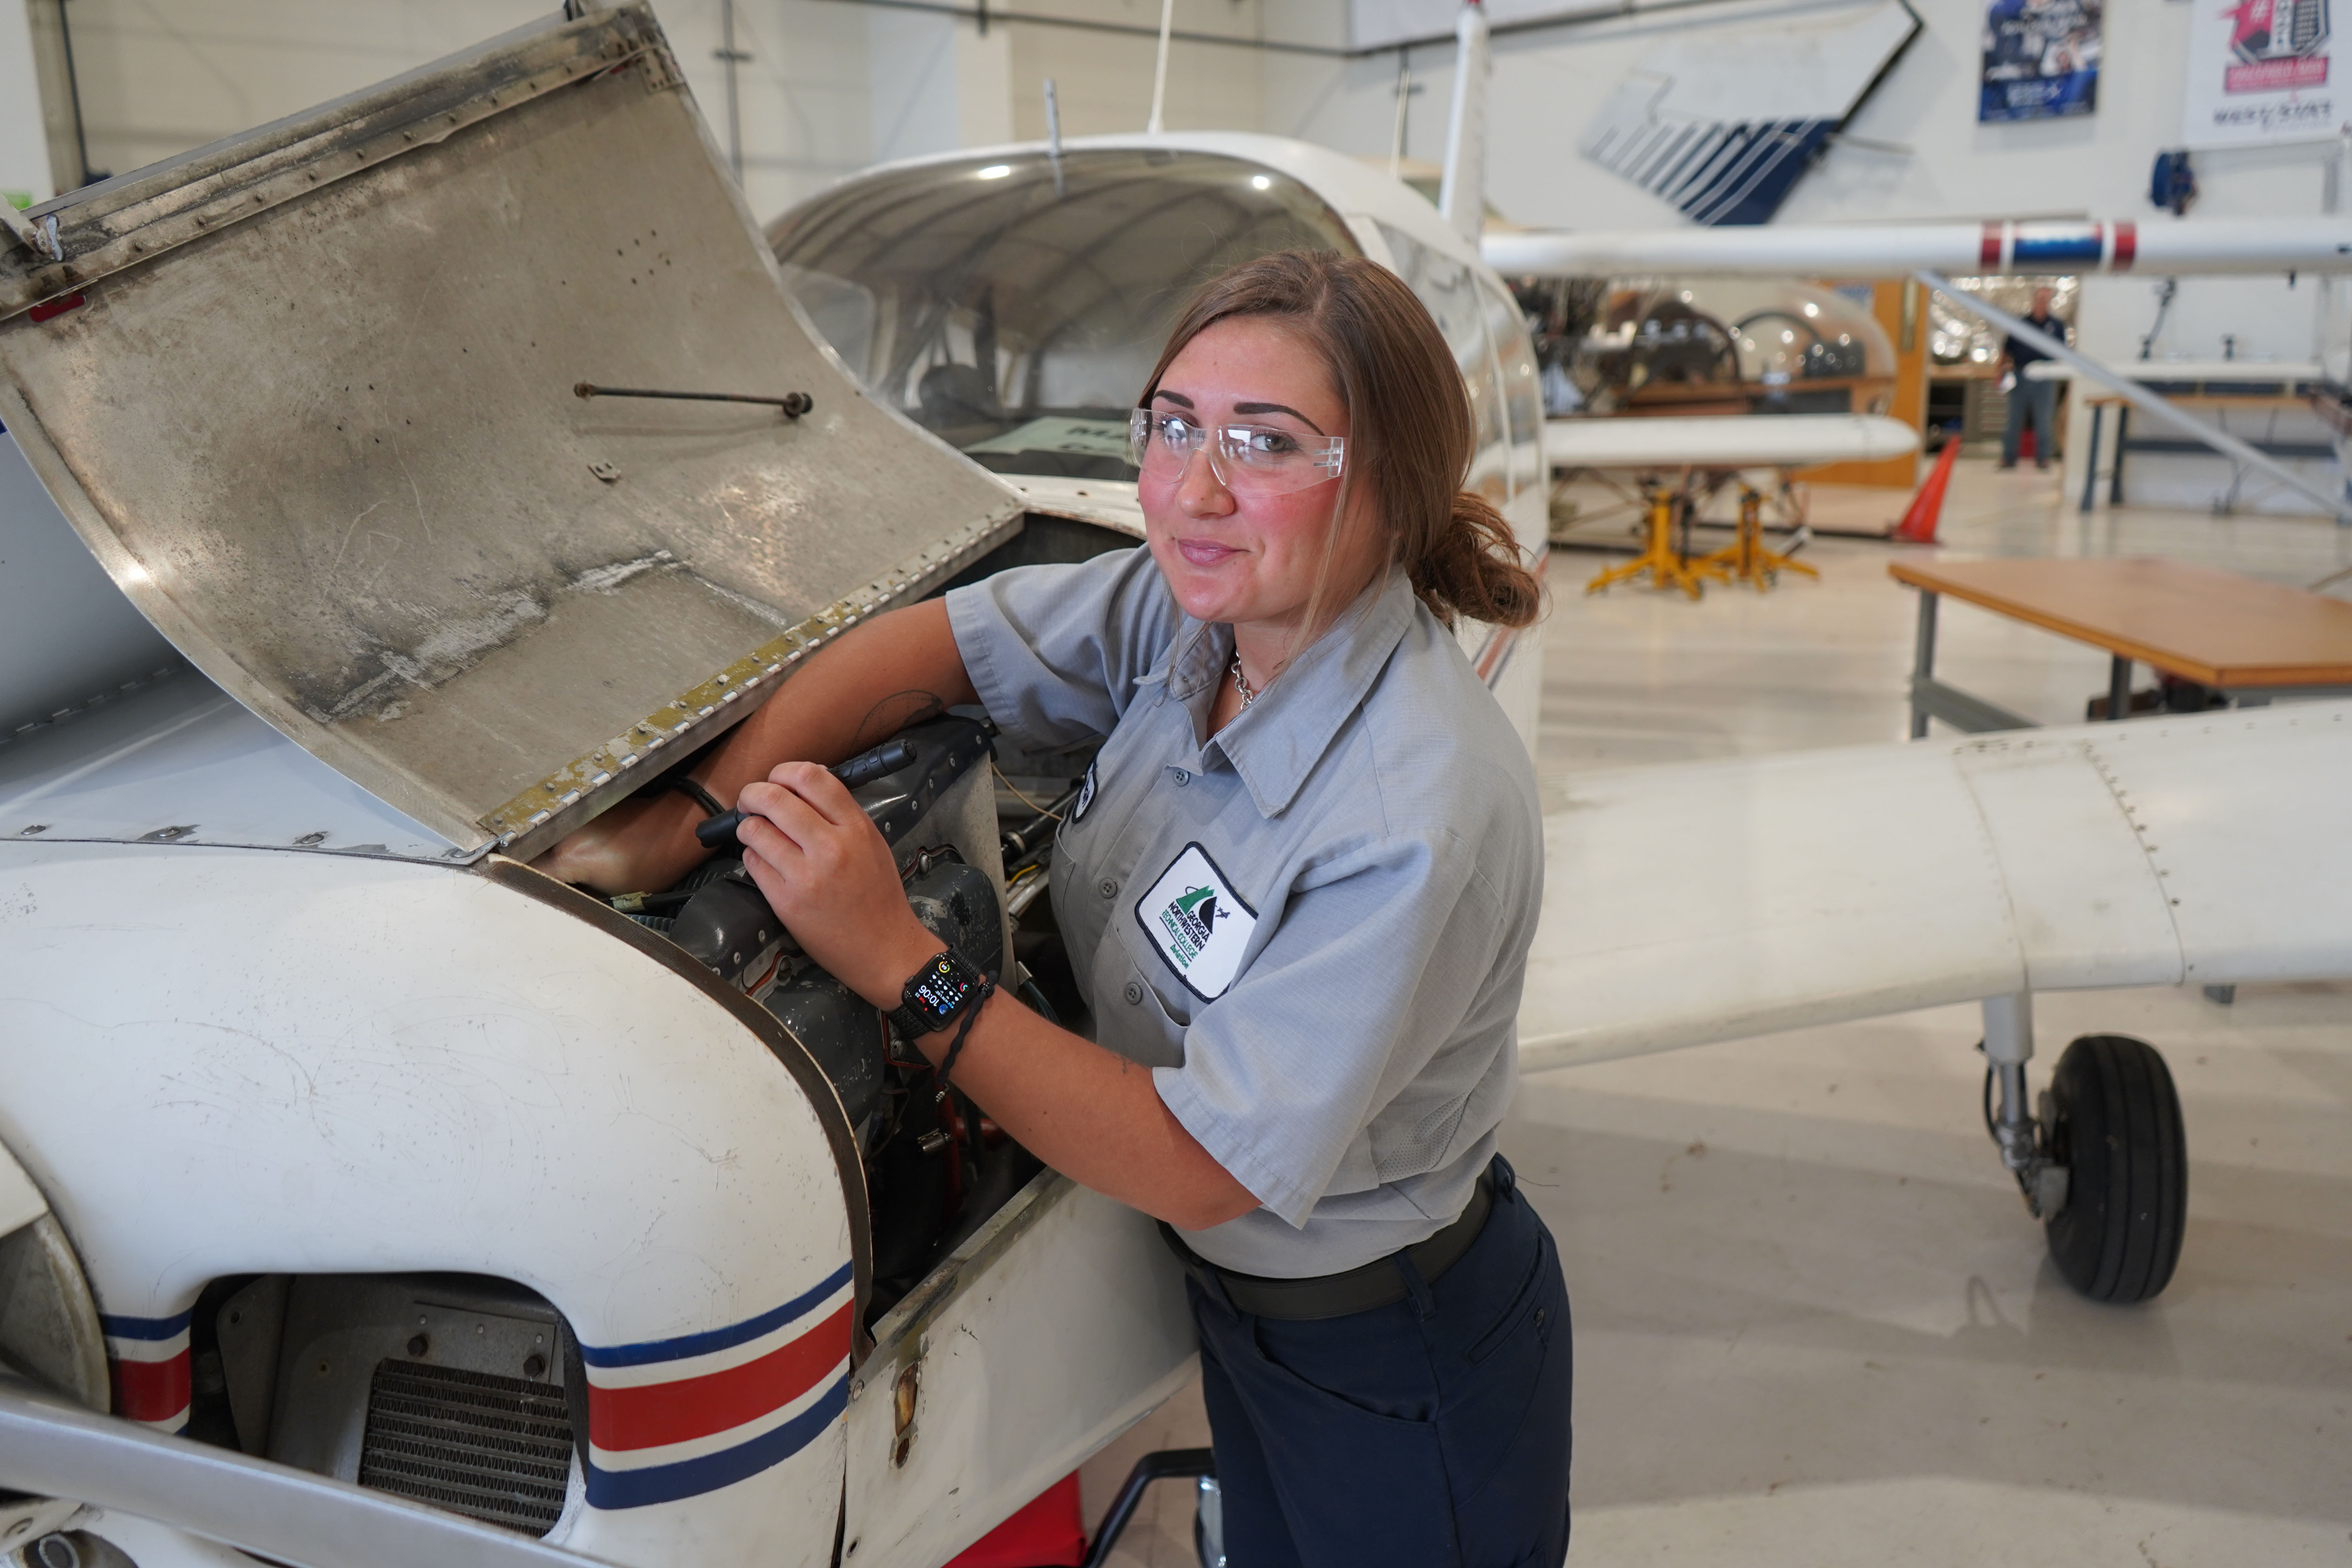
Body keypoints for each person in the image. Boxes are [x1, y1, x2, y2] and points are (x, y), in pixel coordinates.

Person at [540, 250, 1572, 1567]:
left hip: (1389, 1348)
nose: (1194, 488)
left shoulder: (1413, 812)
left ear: (1386, 483)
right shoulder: (1200, 624)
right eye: (1174, 425)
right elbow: (929, 649)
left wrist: (904, 967)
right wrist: (691, 821)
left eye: (1264, 443)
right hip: (1250, 1315)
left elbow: (1196, 1162)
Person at [1999, 286, 2069, 470]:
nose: (2042, 303)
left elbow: (2063, 352)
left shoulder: (2056, 326)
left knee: (2044, 419)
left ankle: (2043, 458)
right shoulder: (2021, 324)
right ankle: (2009, 457)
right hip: (2020, 375)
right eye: (2040, 299)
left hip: (2045, 378)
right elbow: (2007, 350)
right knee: (2014, 418)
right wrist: (1999, 372)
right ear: (2034, 301)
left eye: (2046, 300)